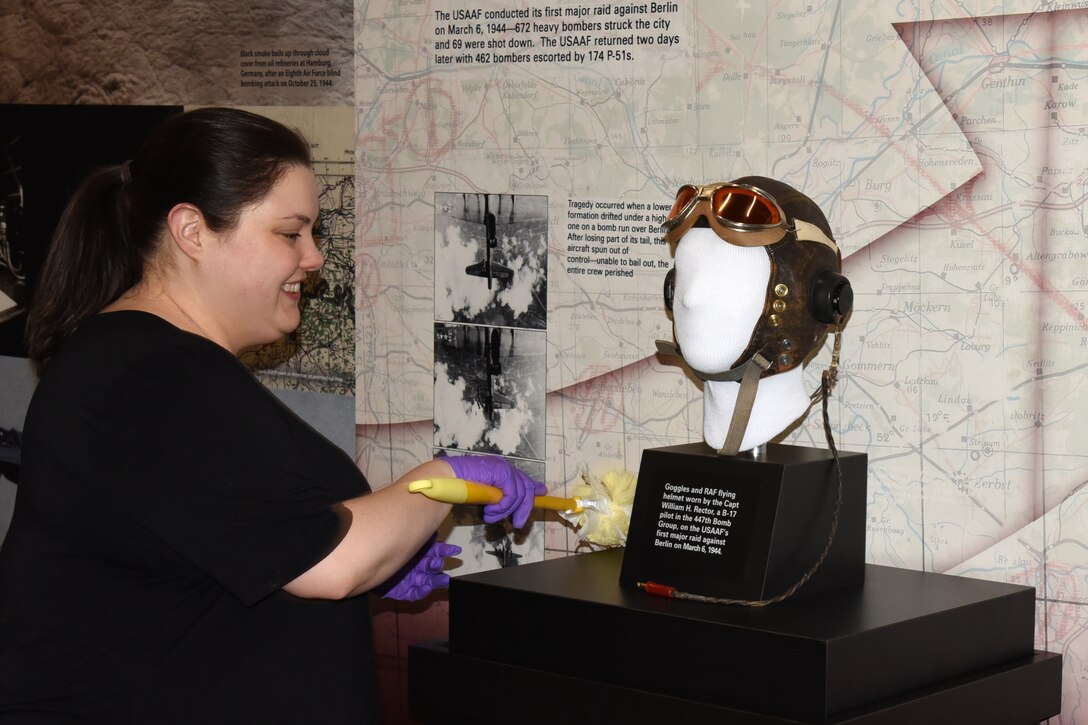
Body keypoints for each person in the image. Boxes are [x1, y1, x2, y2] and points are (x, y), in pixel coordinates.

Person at [0, 107, 544, 723]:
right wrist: (441, 479)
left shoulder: (151, 365)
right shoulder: (149, 377)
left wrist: (386, 553)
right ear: (192, 231)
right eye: (290, 234)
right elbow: (329, 562)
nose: (313, 259)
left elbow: (246, 543)